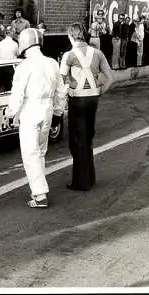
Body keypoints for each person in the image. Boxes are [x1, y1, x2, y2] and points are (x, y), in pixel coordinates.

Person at [5, 28, 67, 208]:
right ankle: (38, 191)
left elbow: (17, 94)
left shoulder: (24, 66)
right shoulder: (52, 63)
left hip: (30, 110)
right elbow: (60, 91)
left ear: (24, 44)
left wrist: (11, 113)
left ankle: (40, 195)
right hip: (47, 109)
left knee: (30, 154)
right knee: (40, 152)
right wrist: (58, 113)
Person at [60, 23, 114, 191]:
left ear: (70, 36)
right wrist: (98, 92)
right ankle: (90, 177)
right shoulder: (98, 53)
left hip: (77, 100)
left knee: (77, 140)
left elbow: (60, 80)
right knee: (88, 136)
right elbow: (111, 78)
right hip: (93, 99)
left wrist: (68, 88)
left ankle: (81, 182)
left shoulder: (68, 55)